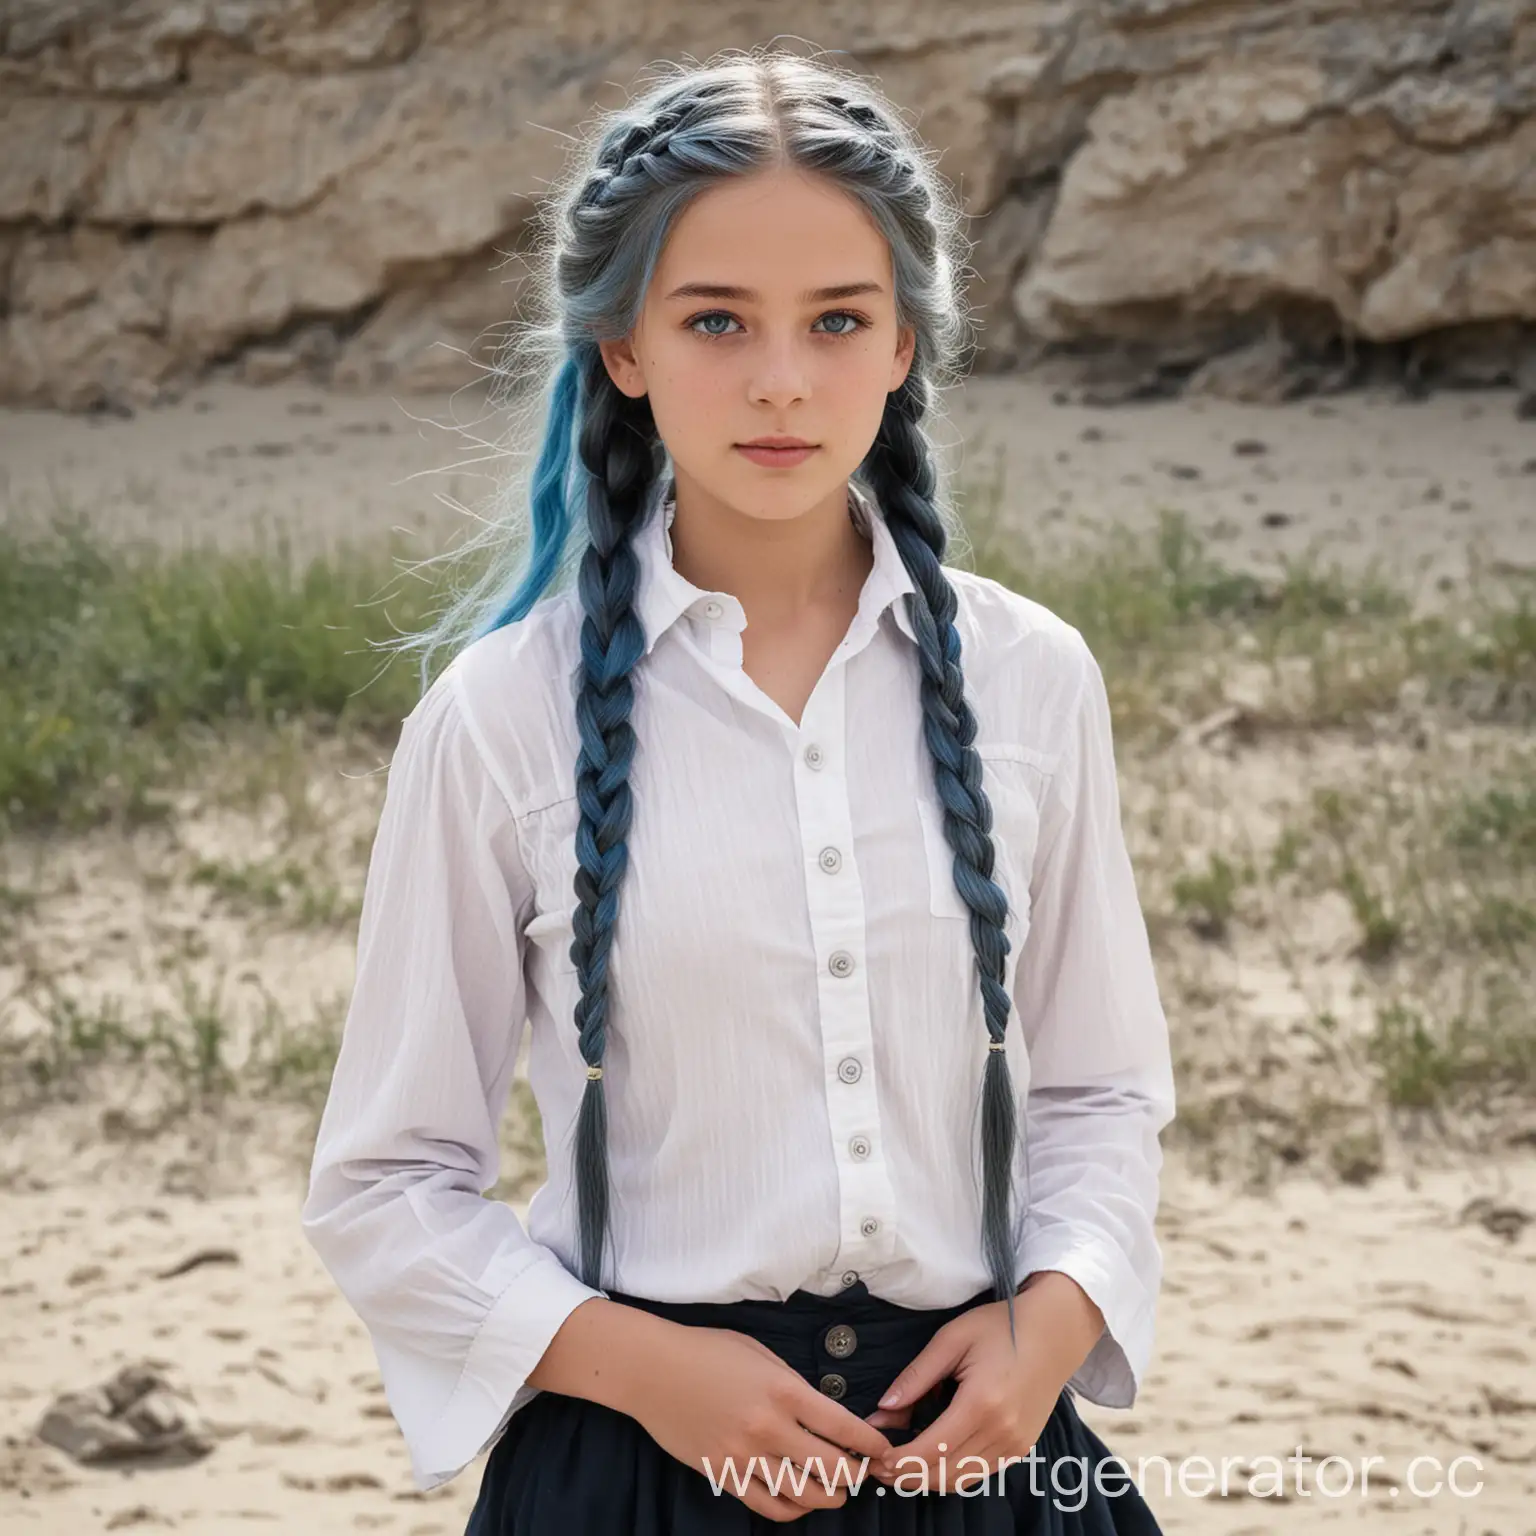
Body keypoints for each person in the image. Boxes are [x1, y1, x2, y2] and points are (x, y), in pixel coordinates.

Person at [301, 45, 1176, 1533]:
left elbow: (1099, 1092)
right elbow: (388, 1186)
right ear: (624, 348)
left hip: (980, 1457)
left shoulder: (1033, 679)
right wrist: (646, 1374)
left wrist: (1057, 1323)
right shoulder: (499, 724)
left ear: (905, 344)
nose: (782, 378)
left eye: (839, 319)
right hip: (640, 1465)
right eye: (717, 319)